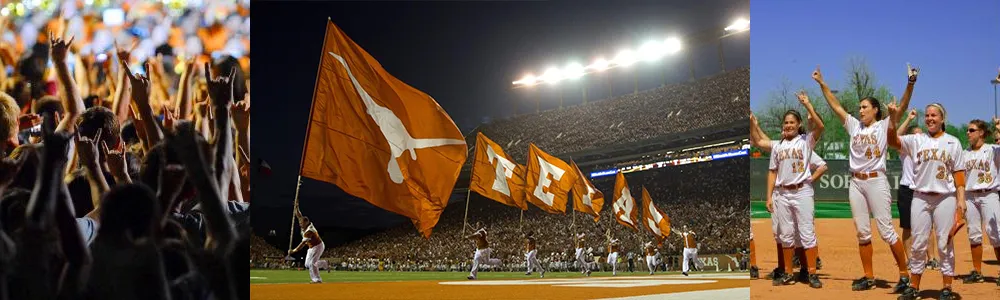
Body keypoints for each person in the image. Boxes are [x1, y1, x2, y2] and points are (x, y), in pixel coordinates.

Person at [814, 64, 915, 293]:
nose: (860, 111)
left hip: (876, 180)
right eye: (859, 107)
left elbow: (903, 106)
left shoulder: (882, 126)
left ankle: (904, 275)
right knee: (862, 232)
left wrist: (910, 84)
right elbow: (836, 106)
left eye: (864, 107)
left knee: (886, 230)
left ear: (875, 110)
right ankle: (869, 277)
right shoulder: (854, 127)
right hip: (856, 182)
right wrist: (822, 84)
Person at [888, 102, 966, 300]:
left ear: (942, 119)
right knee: (918, 242)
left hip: (945, 198)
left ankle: (947, 286)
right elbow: (892, 142)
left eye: (934, 115)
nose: (930, 118)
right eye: (928, 115)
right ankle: (914, 287)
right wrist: (892, 118)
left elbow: (958, 173)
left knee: (944, 242)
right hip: (920, 197)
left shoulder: (953, 142)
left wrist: (961, 199)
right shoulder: (917, 140)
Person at [752, 90, 824, 288]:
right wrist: (768, 197)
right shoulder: (778, 146)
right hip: (782, 193)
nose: (789, 125)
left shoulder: (806, 141)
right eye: (786, 122)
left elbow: (820, 126)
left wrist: (808, 105)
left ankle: (812, 273)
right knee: (786, 234)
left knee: (807, 233)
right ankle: (787, 273)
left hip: (802, 191)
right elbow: (772, 173)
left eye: (792, 122)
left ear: (799, 124)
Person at [956, 118, 1000, 285]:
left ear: (981, 133)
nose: (968, 133)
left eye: (971, 130)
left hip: (989, 194)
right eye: (968, 130)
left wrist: (999, 129)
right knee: (974, 233)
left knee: (995, 233)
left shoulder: (992, 150)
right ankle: (977, 272)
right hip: (970, 195)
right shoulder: (964, 153)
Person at [895, 118, 941, 271]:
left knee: (928, 227)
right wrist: (907, 119)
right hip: (907, 189)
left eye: (922, 135)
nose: (920, 138)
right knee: (907, 227)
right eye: (916, 136)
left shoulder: (925, 149)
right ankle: (909, 259)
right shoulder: (904, 149)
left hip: (922, 189)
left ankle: (932, 259)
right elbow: (895, 135)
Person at [289, 203, 325, 284]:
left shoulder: (309, 231)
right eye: (300, 223)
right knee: (307, 264)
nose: (300, 225)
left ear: (307, 222)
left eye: (302, 223)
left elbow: (302, 244)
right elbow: (299, 215)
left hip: (318, 246)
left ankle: (317, 279)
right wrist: (296, 207)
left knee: (312, 263)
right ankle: (324, 263)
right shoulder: (303, 223)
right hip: (311, 247)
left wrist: (293, 251)